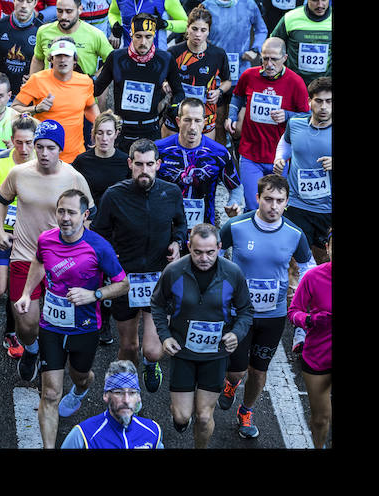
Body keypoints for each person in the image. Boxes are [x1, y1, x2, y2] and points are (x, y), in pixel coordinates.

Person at [15, 189, 128, 448]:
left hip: (85, 328)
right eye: (61, 211)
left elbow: (123, 284)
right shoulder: (46, 239)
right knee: (51, 393)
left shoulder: (99, 246)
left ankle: (81, 388)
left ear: (85, 215)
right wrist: (25, 293)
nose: (65, 217)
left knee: (80, 376)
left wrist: (94, 294)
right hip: (51, 326)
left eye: (71, 212)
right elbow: (39, 262)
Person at [0, 119, 96, 381]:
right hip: (25, 255)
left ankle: (51, 363)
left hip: (61, 260)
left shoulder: (73, 177)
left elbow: (90, 214)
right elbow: (1, 199)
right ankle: (31, 348)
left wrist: (81, 248)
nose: (44, 153)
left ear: (59, 148)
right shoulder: (19, 173)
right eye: (39, 147)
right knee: (25, 321)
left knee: (56, 319)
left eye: (50, 147)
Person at [217, 174, 315, 439]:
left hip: (274, 315)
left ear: (287, 202)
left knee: (259, 371)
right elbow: (210, 254)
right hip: (239, 314)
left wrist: (302, 291)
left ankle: (246, 410)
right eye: (268, 199)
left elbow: (309, 268)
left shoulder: (295, 234)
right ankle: (231, 383)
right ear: (257, 198)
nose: (273, 206)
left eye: (279, 201)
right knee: (236, 369)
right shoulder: (236, 226)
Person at [91, 139, 187, 399]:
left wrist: (177, 243)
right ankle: (128, 392)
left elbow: (181, 224)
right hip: (125, 280)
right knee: (129, 345)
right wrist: (111, 256)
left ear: (158, 164)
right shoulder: (114, 195)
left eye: (149, 165)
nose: (144, 170)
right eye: (139, 165)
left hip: (158, 280)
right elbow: (99, 234)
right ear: (130, 164)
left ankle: (150, 364)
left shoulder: (171, 193)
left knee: (153, 350)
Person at [151, 223, 253, 448]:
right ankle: (181, 417)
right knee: (181, 417)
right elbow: (157, 305)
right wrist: (165, 335)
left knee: (205, 416)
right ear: (189, 247)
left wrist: (237, 333)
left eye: (210, 252)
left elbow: (246, 311)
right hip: (183, 353)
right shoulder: (174, 271)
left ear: (219, 247)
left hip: (214, 355)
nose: (204, 258)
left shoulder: (233, 273)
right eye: (197, 252)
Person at [226, 37, 309, 211]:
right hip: (250, 154)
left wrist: (287, 115)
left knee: (276, 208)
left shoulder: (296, 82)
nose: (269, 64)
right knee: (252, 206)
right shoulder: (249, 75)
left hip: (280, 158)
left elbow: (307, 117)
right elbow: (238, 95)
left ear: (285, 58)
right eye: (265, 58)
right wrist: (232, 116)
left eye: (274, 59)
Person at [71, 110, 130, 345]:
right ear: (92, 135)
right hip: (89, 225)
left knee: (110, 274)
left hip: (117, 226)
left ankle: (105, 321)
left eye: (109, 133)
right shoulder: (82, 161)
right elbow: (72, 191)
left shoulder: (124, 161)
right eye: (100, 134)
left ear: (116, 135)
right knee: (88, 271)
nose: (104, 138)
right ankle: (85, 317)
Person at [0, 115, 37, 358]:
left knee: (19, 285)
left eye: (29, 143)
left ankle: (11, 330)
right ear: (11, 141)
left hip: (27, 237)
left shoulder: (42, 163)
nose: (24, 149)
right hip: (1, 230)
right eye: (19, 142)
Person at [94, 13, 185, 152]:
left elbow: (179, 92)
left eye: (148, 36)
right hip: (121, 132)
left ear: (154, 36)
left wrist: (173, 107)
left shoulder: (165, 59)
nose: (143, 42)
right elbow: (96, 89)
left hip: (150, 130)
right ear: (131, 34)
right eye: (138, 36)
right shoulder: (117, 57)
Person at [203, 0, 268, 148]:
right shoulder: (206, 6)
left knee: (240, 125)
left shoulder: (249, 4)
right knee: (218, 122)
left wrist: (255, 49)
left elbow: (262, 29)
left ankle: (241, 158)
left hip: (241, 72)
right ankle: (223, 161)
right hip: (215, 76)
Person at [157, 98, 244, 234]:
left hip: (203, 229)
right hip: (165, 228)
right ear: (178, 121)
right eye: (187, 120)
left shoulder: (218, 153)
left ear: (204, 122)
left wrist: (234, 203)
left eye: (197, 121)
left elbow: (235, 187)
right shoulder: (160, 150)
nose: (192, 127)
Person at [274, 77, 332, 264]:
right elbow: (286, 141)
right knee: (295, 259)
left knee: (323, 259)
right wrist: (279, 158)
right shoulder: (296, 123)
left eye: (329, 101)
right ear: (309, 102)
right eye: (319, 101)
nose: (324, 107)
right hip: (298, 204)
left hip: (327, 208)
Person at [13, 37, 100, 163]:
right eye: (58, 56)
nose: (62, 60)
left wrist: (100, 127)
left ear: (75, 60)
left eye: (67, 55)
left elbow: (90, 106)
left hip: (76, 157)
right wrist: (37, 109)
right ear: (51, 59)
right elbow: (14, 108)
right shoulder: (37, 80)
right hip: (43, 157)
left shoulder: (85, 81)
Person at [288, 230, 332, 449]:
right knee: (320, 419)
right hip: (318, 357)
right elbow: (293, 312)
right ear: (328, 248)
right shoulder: (313, 277)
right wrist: (311, 320)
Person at [162, 5, 232, 139]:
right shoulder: (174, 52)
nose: (198, 34)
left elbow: (227, 81)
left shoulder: (218, 54)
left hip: (205, 115)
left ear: (209, 31)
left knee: (203, 158)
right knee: (170, 156)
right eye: (194, 29)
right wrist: (165, 83)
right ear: (187, 28)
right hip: (177, 113)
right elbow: (162, 78)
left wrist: (219, 91)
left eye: (203, 30)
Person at [61, 360, 163, 449]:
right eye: (119, 393)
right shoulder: (84, 434)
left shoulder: (153, 431)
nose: (126, 400)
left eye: (132, 393)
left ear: (138, 397)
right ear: (106, 395)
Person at [29, 0, 112, 78]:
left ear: (80, 9)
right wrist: (32, 83)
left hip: (82, 90)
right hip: (50, 90)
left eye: (69, 11)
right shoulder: (43, 31)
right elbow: (38, 59)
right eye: (60, 11)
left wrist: (95, 79)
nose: (64, 16)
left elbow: (112, 61)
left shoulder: (95, 34)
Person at [270, 0, 332, 86]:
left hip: (326, 86)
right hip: (294, 83)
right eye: (314, 0)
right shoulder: (291, 17)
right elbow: (273, 45)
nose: (320, 5)